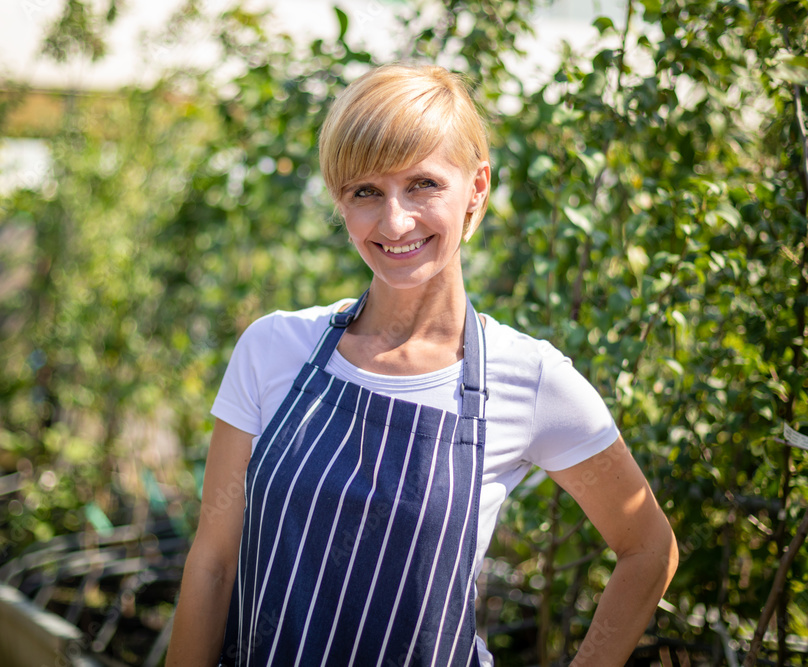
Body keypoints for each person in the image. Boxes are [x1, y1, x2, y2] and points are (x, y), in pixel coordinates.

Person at [166, 63, 678, 667]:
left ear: (477, 189)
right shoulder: (273, 348)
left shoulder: (529, 380)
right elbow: (214, 564)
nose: (395, 221)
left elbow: (648, 548)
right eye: (366, 192)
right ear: (340, 200)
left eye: (423, 185)